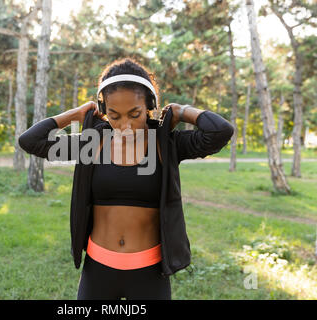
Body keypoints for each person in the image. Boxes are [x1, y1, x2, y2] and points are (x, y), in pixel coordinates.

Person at [18, 57, 234, 300]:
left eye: (135, 114)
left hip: (150, 274)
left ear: (150, 105)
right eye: (114, 115)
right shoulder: (93, 143)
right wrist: (76, 114)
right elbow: (30, 141)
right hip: (98, 270)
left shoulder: (165, 143)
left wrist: (182, 111)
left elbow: (220, 131)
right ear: (103, 110)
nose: (125, 125)